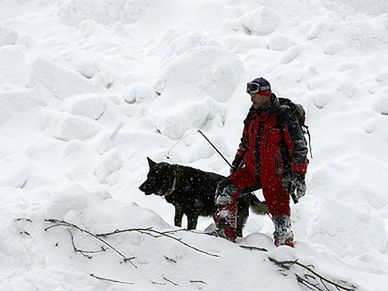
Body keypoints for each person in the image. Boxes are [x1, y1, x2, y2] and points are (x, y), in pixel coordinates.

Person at [212, 77, 308, 247]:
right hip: (251, 171)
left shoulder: (283, 115)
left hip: (276, 176)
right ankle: (226, 238)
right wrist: (236, 164)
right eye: (250, 95)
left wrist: (298, 176)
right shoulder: (252, 114)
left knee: (280, 218)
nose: (251, 98)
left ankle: (285, 252)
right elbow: (245, 143)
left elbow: (299, 148)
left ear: (265, 93)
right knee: (225, 191)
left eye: (255, 95)